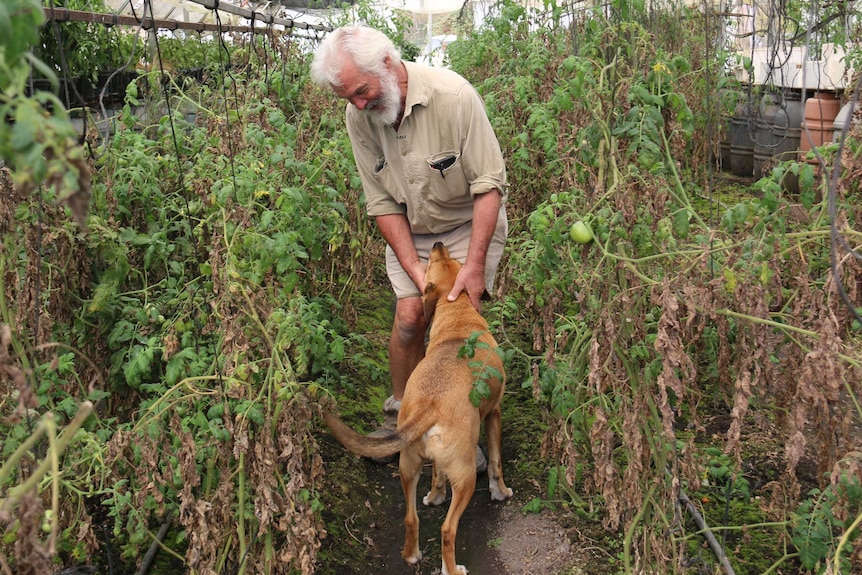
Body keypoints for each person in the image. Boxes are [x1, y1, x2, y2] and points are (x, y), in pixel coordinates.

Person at [310, 25, 508, 471]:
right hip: (412, 229)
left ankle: (463, 423)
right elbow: (381, 203)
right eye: (349, 98)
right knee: (410, 318)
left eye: (362, 91)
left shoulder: (453, 96)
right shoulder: (358, 117)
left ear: (386, 62)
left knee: (460, 324)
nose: (360, 105)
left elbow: (488, 186)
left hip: (466, 222)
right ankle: (403, 413)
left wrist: (473, 266)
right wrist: (415, 272)